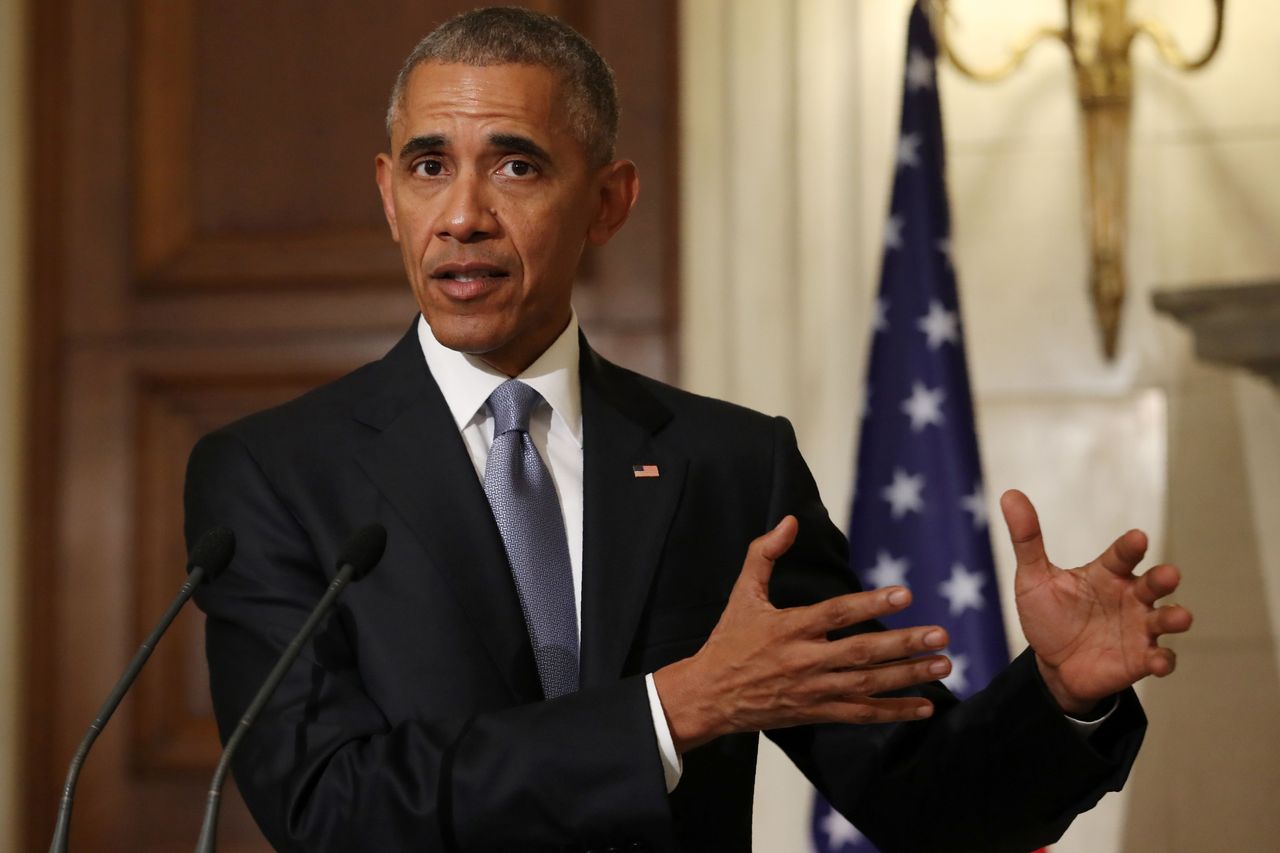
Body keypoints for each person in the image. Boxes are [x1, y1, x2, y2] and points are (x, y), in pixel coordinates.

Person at [184, 7, 1192, 852]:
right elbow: (326, 805)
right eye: (427, 167)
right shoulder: (274, 478)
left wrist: (1061, 695)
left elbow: (921, 797)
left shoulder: (727, 469)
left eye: (517, 167)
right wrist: (674, 711)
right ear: (387, 197)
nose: (462, 215)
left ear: (607, 202)